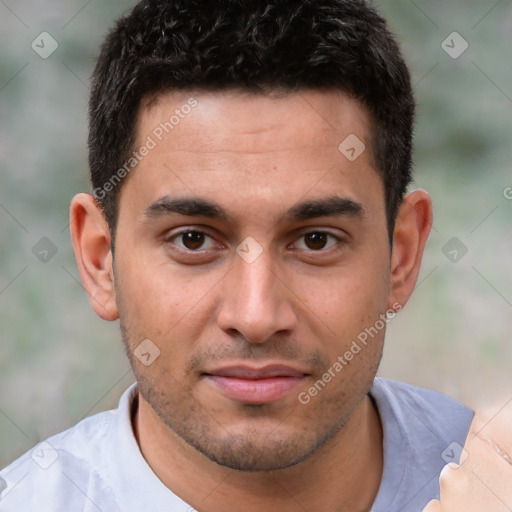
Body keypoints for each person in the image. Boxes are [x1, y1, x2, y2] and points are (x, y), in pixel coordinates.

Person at [0, 1, 508, 510]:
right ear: (99, 260)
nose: (256, 317)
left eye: (316, 240)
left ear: (401, 255)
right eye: (193, 240)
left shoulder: (493, 474)